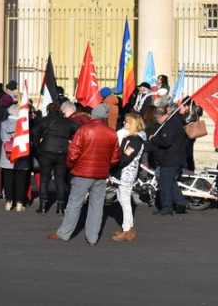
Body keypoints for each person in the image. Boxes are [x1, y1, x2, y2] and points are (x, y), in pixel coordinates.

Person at [48, 103, 120, 245]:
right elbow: (115, 157)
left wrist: (71, 166)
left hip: (82, 172)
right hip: (100, 174)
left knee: (75, 203)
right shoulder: (112, 133)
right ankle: (92, 237)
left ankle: (65, 233)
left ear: (93, 115)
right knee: (97, 206)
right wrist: (106, 167)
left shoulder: (84, 130)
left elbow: (73, 153)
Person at [31, 103, 80, 215]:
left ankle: (43, 206)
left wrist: (36, 145)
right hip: (63, 151)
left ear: (48, 110)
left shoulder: (44, 120)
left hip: (46, 151)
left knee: (44, 179)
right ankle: (60, 207)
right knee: (60, 180)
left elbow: (34, 132)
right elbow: (80, 130)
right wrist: (71, 140)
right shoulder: (67, 121)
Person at [148, 106, 189, 216]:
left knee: (165, 184)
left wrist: (154, 139)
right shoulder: (173, 121)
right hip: (175, 157)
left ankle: (167, 207)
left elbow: (166, 142)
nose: (157, 121)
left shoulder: (169, 124)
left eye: (157, 119)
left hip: (170, 159)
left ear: (160, 117)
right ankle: (181, 203)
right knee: (171, 182)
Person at [111, 113, 145, 242]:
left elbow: (126, 158)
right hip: (122, 172)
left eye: (127, 122)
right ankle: (128, 227)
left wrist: (113, 164)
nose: (124, 124)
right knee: (121, 199)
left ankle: (127, 230)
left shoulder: (135, 140)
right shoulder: (130, 138)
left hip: (126, 173)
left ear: (133, 124)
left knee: (125, 201)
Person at [0, 103, 31, 211]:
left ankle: (8, 202)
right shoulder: (24, 124)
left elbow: (4, 140)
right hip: (21, 154)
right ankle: (19, 203)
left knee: (8, 181)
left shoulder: (3, 124)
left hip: (7, 156)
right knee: (21, 181)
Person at [181, 96, 203, 171]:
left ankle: (189, 169)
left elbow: (184, 121)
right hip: (190, 135)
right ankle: (190, 168)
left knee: (188, 153)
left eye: (185, 105)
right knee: (188, 152)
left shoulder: (192, 112)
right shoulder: (193, 111)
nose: (184, 107)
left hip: (189, 135)